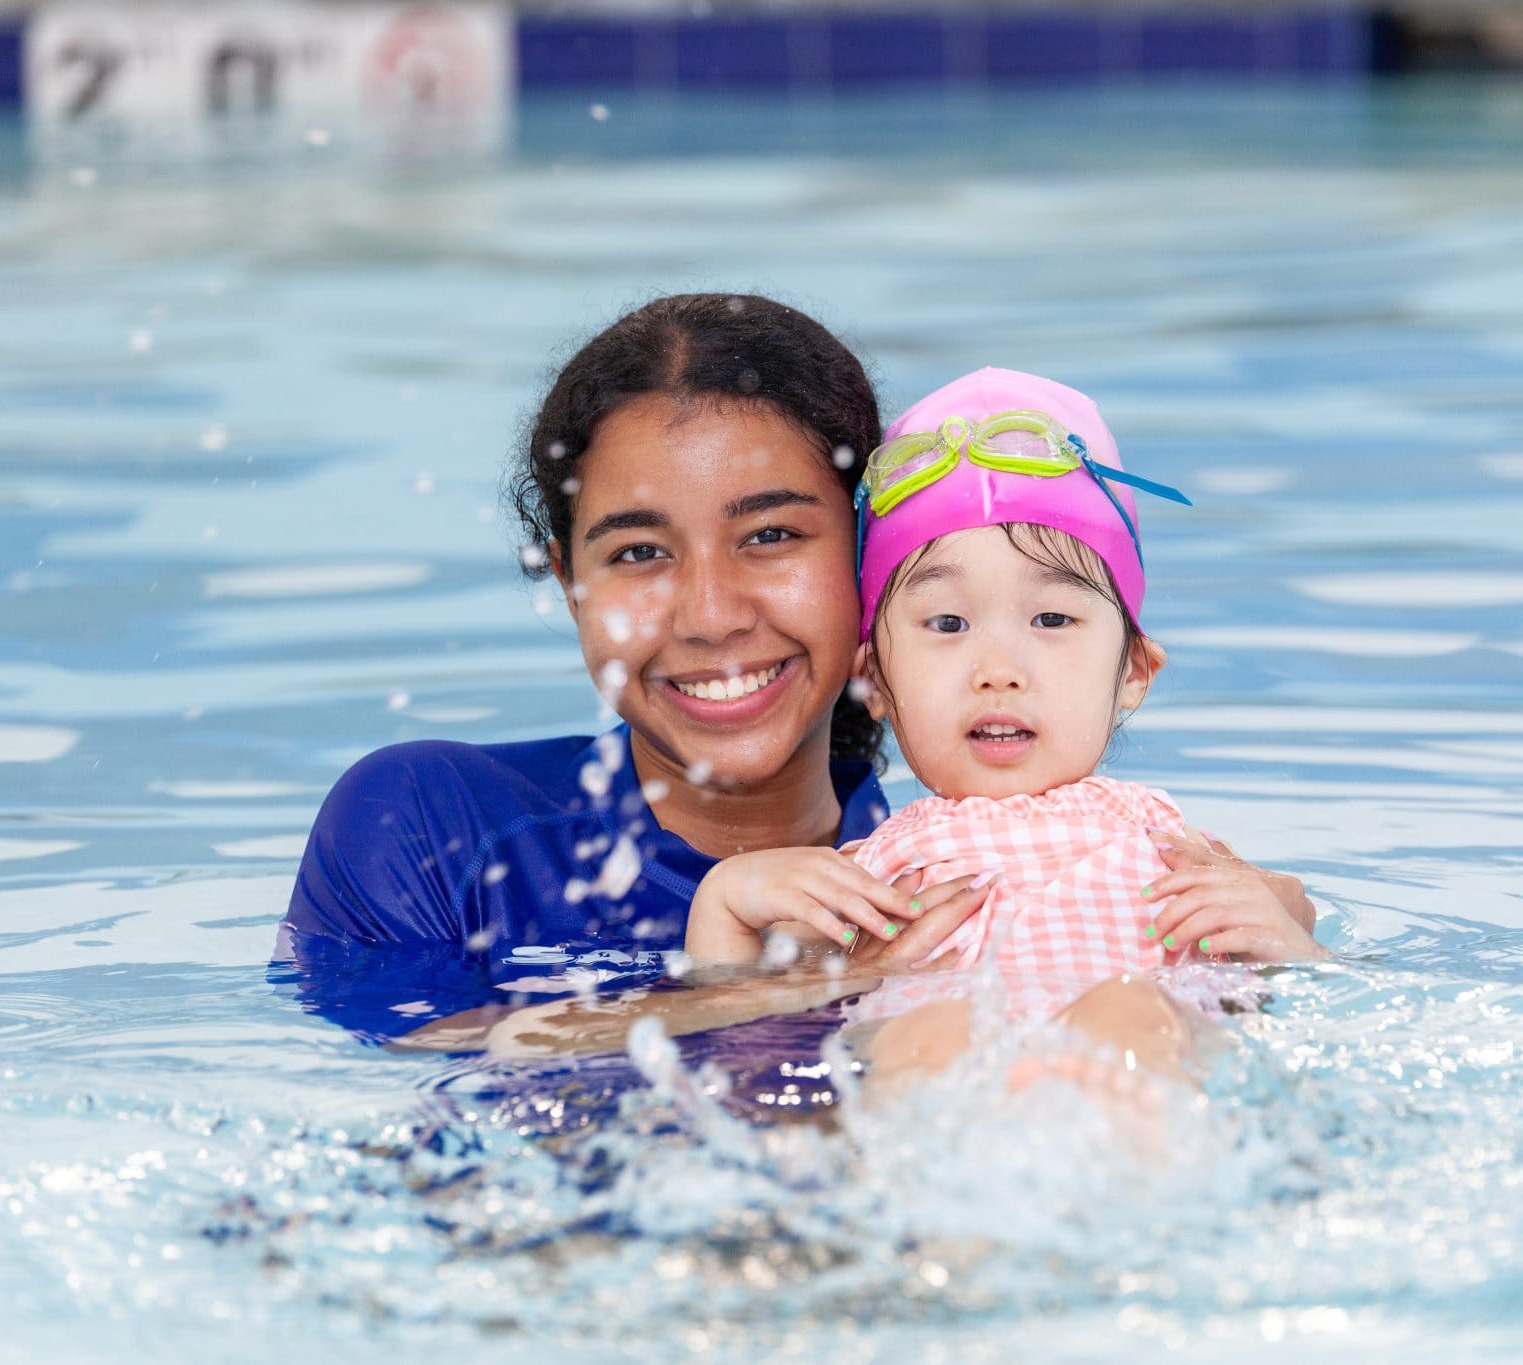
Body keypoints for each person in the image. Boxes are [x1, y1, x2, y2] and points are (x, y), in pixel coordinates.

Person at [275, 294, 994, 1043]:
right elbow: (378, 1071)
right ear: (569, 582)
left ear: (870, 558)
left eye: (771, 533)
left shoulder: (950, 887)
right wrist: (774, 992)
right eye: (640, 552)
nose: (712, 615)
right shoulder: (433, 829)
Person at [681, 367, 1325, 1095]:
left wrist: (1293, 947)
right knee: (933, 1031)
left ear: (1135, 672)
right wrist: (724, 901)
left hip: (1134, 1095)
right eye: (947, 624)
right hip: (953, 1124)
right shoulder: (866, 886)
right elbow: (732, 1044)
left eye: (1052, 620)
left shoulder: (1179, 852)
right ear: (876, 683)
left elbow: (1282, 1009)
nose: (997, 669)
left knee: (1129, 1010)